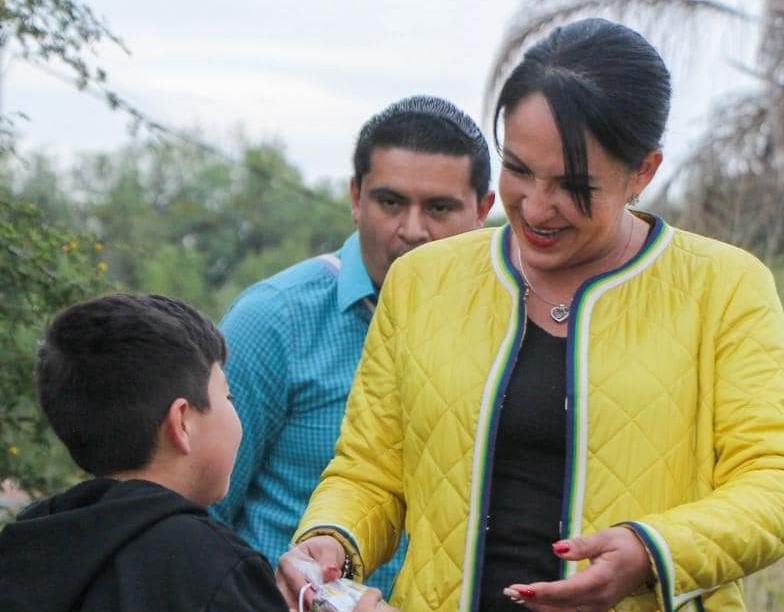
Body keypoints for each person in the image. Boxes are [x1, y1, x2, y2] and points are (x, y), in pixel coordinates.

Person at [277, 18, 784, 612]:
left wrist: (653, 550)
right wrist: (330, 538)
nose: (537, 208)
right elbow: (370, 470)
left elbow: (770, 482)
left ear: (643, 171)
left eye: (574, 185)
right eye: (517, 169)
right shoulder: (425, 280)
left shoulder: (722, 287)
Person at [210, 95, 495, 594]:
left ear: (483, 211)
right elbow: (199, 515)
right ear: (355, 199)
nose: (412, 230)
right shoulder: (274, 322)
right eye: (390, 202)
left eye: (439, 208)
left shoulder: (512, 326)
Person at [0, 293, 386, 612]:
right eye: (228, 396)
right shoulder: (212, 568)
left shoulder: (32, 539)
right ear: (182, 422)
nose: (237, 414)